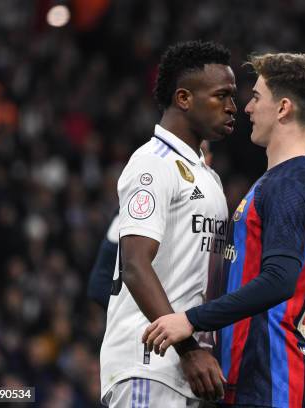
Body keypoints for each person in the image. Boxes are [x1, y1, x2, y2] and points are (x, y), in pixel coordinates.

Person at [141, 52, 305, 408]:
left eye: (257, 97)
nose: (246, 108)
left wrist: (190, 320)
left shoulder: (292, 183)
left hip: (269, 378)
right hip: (257, 375)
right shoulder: (294, 179)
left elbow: (280, 279)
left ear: (282, 109)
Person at [99, 40, 237, 407]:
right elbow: (134, 265)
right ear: (184, 98)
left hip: (189, 370)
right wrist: (188, 349)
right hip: (150, 364)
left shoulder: (207, 176)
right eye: (221, 95)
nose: (232, 107)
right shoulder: (152, 163)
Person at [87, 142, 214, 310]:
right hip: (151, 329)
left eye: (200, 152)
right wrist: (148, 317)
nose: (191, 157)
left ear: (209, 160)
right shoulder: (140, 204)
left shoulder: (214, 210)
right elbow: (99, 283)